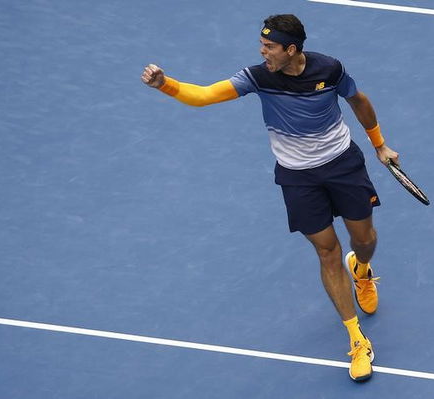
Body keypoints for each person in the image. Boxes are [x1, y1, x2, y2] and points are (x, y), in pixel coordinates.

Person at [141, 14, 399, 381]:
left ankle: (361, 269)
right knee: (327, 251)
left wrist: (379, 145)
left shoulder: (330, 69)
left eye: (269, 47)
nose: (263, 53)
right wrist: (165, 84)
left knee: (364, 239)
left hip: (342, 164)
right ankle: (357, 339)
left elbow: (358, 101)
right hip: (297, 177)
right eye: (262, 46)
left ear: (291, 50)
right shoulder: (257, 77)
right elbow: (204, 96)